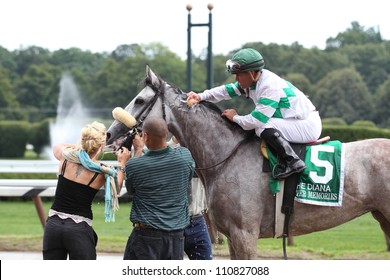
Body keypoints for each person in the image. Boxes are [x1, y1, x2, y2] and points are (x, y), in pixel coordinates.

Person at [187, 48, 322, 179]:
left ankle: (292, 160)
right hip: (296, 121)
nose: (237, 78)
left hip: (307, 125)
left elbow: (255, 121)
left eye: (239, 74)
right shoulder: (254, 81)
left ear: (251, 73)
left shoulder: (268, 86)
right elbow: (226, 91)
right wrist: (201, 96)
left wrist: (235, 117)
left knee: (262, 126)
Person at [42, 121, 131, 260]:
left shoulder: (65, 157)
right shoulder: (102, 171)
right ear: (102, 145)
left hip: (53, 226)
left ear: (83, 140)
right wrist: (121, 164)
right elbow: (117, 189)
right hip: (78, 230)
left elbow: (57, 147)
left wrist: (80, 147)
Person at [123, 117, 195, 260]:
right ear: (167, 134)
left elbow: (130, 190)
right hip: (176, 237)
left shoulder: (134, 165)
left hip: (146, 237)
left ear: (146, 136)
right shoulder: (185, 157)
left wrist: (138, 150)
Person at [168, 136, 213, 260]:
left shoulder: (204, 151)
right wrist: (174, 140)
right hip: (172, 222)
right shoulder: (170, 150)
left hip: (197, 220)